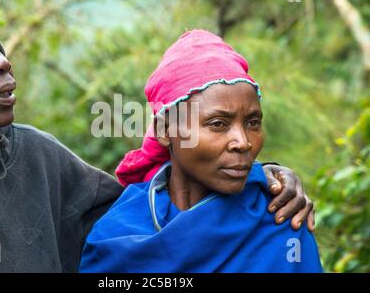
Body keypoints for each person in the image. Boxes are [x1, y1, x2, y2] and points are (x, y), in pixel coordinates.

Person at [0, 0, 312, 272]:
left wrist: (268, 175)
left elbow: (150, 210)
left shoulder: (41, 160)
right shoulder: (122, 231)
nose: (1, 62)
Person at [79, 30, 323, 272]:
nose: (243, 142)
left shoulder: (282, 218)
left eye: (252, 123)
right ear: (165, 130)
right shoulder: (117, 234)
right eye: (217, 124)